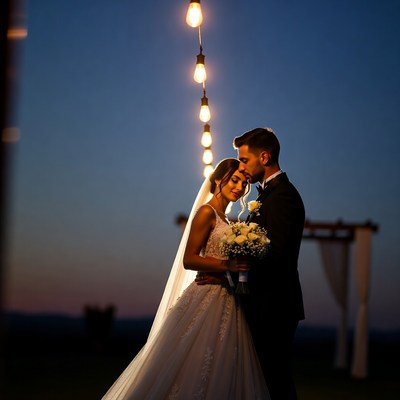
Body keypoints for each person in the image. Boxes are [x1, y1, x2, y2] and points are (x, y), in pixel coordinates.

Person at [102, 158, 270, 400]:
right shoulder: (206, 213)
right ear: (218, 180)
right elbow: (189, 259)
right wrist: (228, 265)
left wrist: (238, 268)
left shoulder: (228, 221)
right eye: (234, 180)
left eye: (243, 184)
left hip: (228, 299)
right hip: (206, 297)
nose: (239, 187)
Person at [197, 127, 305, 399]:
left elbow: (277, 258)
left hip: (275, 306)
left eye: (244, 160)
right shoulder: (266, 196)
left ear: (265, 157)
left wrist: (226, 277)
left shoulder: (283, 197)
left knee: (275, 383)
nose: (242, 167)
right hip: (261, 304)